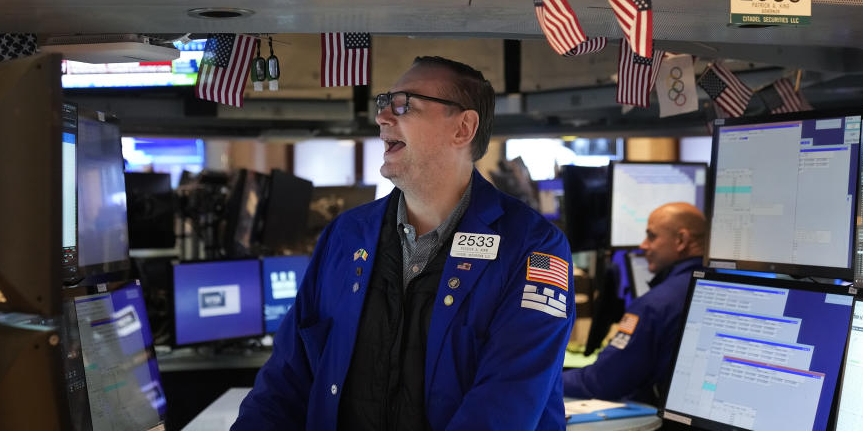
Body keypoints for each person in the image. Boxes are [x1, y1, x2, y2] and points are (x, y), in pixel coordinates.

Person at [233, 56, 575, 431]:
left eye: (404, 105)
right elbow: (285, 379)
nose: (382, 118)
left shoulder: (535, 249)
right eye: (385, 103)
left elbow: (504, 406)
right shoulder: (346, 235)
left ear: (463, 127)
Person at [561, 202, 705, 404]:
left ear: (681, 240)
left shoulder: (655, 304)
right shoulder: (715, 287)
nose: (643, 245)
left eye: (652, 236)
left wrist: (545, 381)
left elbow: (602, 381)